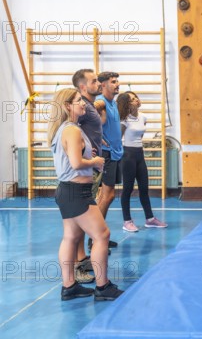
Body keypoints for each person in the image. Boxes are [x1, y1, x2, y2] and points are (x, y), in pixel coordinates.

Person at [48, 88, 123, 301]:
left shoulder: (67, 128)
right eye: (79, 100)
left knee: (71, 237)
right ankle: (103, 286)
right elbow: (76, 163)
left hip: (67, 191)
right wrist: (95, 162)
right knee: (102, 235)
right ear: (67, 106)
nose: (84, 103)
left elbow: (73, 156)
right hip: (76, 192)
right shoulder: (71, 130)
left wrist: (86, 154)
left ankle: (69, 286)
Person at [116, 91, 167, 232]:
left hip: (139, 154)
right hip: (128, 155)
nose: (136, 100)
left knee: (144, 188)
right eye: (132, 99)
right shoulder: (124, 120)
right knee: (128, 189)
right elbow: (118, 139)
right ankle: (127, 221)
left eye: (136, 97)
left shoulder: (143, 117)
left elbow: (141, 136)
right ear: (127, 104)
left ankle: (150, 219)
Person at [71, 69, 102, 283]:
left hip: (91, 168)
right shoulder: (81, 109)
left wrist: (97, 145)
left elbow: (87, 135)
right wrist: (86, 156)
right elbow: (73, 135)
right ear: (83, 87)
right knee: (77, 223)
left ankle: (82, 258)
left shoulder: (89, 107)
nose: (98, 83)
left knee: (81, 221)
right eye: (94, 81)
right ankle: (75, 265)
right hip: (82, 172)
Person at [92, 71, 123, 251]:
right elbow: (88, 110)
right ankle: (96, 237)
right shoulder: (102, 102)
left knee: (108, 196)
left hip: (116, 153)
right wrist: (96, 136)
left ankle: (98, 234)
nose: (117, 84)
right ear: (103, 85)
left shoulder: (113, 103)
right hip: (107, 154)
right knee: (107, 196)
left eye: (117, 81)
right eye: (113, 82)